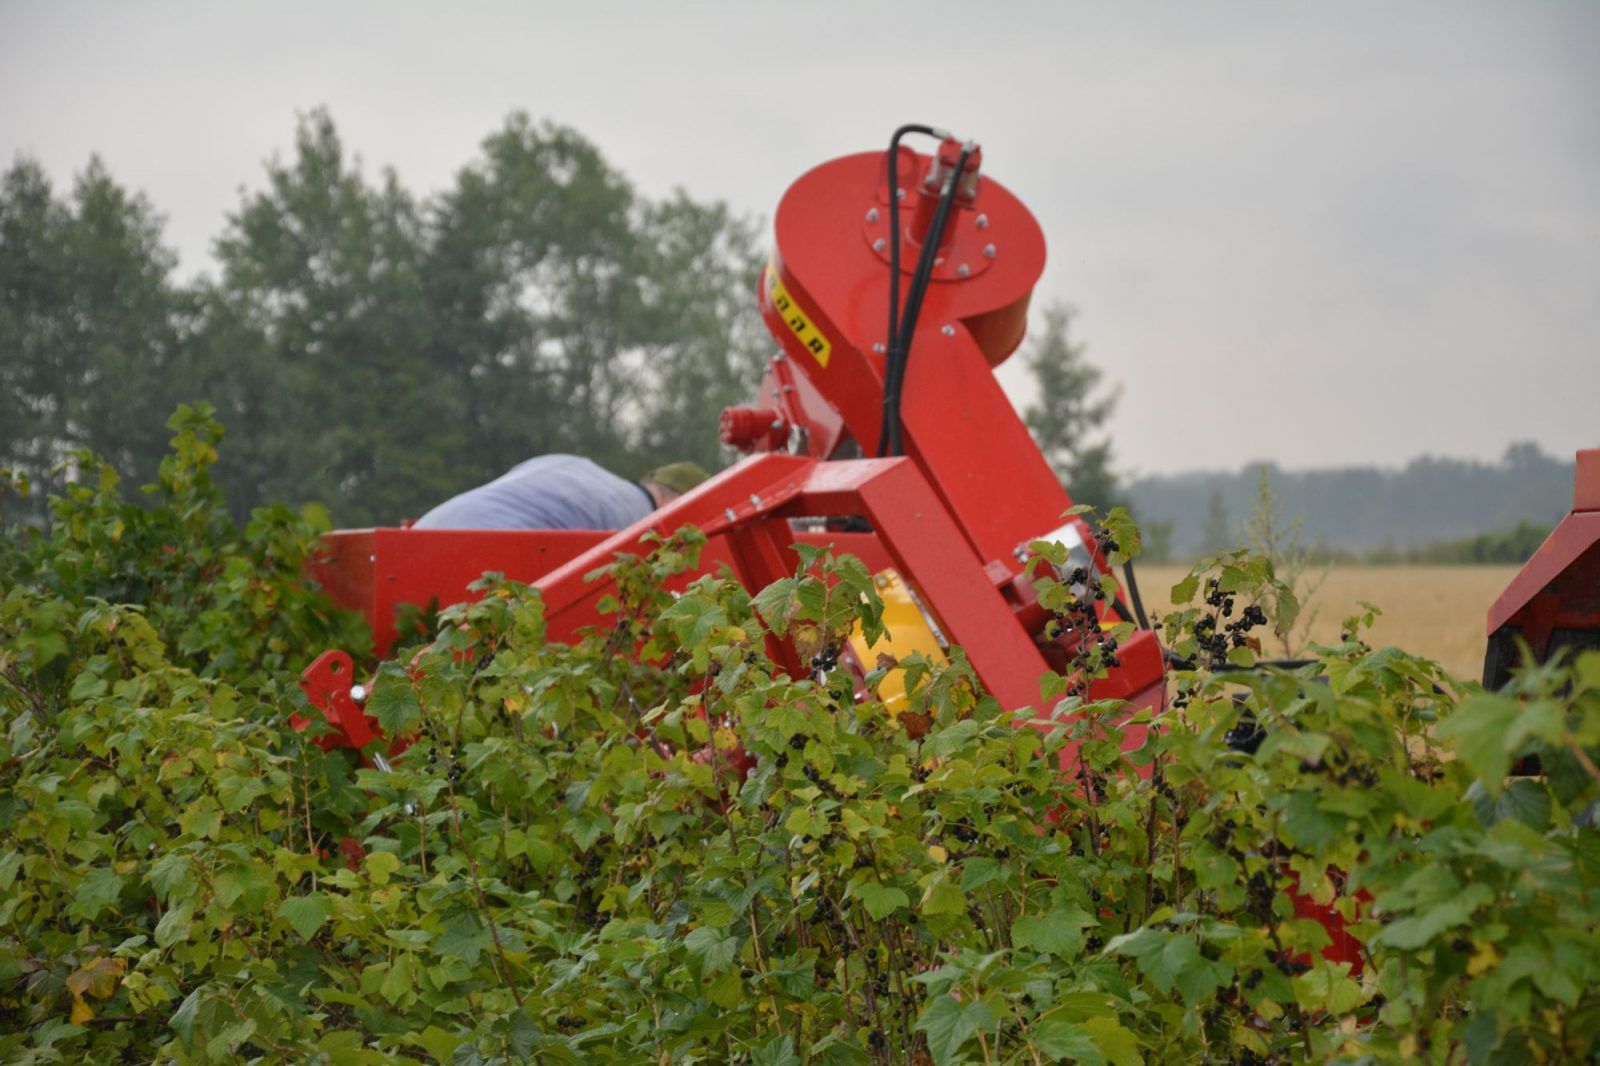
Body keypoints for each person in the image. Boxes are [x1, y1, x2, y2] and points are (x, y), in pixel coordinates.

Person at [410, 455, 710, 531]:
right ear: (672, 503)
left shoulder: (577, 466)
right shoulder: (636, 520)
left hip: (424, 533)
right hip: (475, 561)